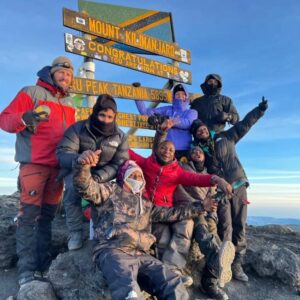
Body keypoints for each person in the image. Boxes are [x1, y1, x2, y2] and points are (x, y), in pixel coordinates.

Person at [73, 158, 218, 300]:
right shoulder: (110, 191)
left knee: (173, 284)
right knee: (129, 292)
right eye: (132, 175)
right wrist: (83, 167)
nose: (137, 178)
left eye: (139, 176)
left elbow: (173, 213)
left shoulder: (147, 205)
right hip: (113, 251)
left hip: (142, 254)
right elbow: (86, 188)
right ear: (123, 177)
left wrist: (201, 207)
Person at [0, 56, 76, 286]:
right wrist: (25, 117)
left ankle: (43, 268)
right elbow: (4, 120)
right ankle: (26, 271)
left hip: (58, 170)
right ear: (51, 73)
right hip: (34, 166)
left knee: (47, 219)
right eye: (62, 72)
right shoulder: (31, 93)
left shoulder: (70, 104)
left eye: (70, 74)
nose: (66, 77)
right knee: (29, 218)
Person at [129, 120, 233, 286]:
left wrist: (216, 179)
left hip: (169, 210)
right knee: (163, 238)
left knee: (186, 225)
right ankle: (171, 276)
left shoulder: (177, 171)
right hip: (150, 212)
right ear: (157, 150)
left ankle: (174, 271)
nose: (167, 151)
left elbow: (196, 178)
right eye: (164, 148)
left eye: (171, 150)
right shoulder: (147, 163)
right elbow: (126, 152)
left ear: (174, 154)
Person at [190, 97, 269, 283]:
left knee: (240, 223)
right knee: (225, 224)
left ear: (206, 129)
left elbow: (244, 125)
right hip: (220, 190)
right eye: (197, 131)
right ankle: (224, 260)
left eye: (202, 128)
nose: (201, 131)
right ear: (195, 135)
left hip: (238, 184)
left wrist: (259, 110)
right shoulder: (198, 153)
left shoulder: (225, 137)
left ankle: (237, 263)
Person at [56, 94, 129, 250]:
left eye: (110, 116)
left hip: (103, 174)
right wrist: (79, 159)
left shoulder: (121, 136)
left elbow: (120, 163)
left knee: (102, 199)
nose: (106, 120)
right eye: (102, 115)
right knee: (71, 193)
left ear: (115, 116)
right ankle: (75, 233)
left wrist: (99, 177)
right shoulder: (77, 128)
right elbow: (62, 153)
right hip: (77, 169)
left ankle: (98, 231)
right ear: (95, 113)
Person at [173, 146, 235, 300]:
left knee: (213, 233)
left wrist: (212, 215)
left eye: (200, 151)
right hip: (192, 208)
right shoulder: (183, 168)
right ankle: (212, 277)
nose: (197, 153)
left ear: (204, 156)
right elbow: (179, 188)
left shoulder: (209, 176)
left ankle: (209, 281)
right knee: (203, 232)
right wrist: (198, 205)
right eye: (193, 152)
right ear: (189, 156)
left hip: (207, 212)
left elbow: (213, 198)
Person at [135, 83, 197, 160]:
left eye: (183, 94)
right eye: (177, 94)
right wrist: (137, 94)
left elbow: (188, 123)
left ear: (186, 96)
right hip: (167, 150)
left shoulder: (191, 112)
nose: (180, 96)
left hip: (185, 150)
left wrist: (166, 119)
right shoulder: (167, 109)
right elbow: (146, 112)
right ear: (174, 97)